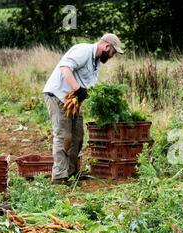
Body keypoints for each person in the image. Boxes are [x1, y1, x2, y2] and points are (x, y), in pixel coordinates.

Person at [43, 33, 124, 185]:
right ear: (107, 46)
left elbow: (90, 85)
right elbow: (65, 68)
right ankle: (59, 177)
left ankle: (71, 173)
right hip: (58, 96)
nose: (113, 56)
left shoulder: (97, 62)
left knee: (77, 137)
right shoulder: (83, 50)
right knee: (64, 136)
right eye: (113, 52)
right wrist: (78, 89)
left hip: (73, 101)